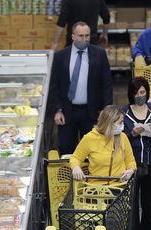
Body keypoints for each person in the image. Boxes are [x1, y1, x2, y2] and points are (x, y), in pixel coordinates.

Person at [49, 21, 113, 155]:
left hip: (91, 113)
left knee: (93, 151)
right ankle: (68, 176)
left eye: (87, 36)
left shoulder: (99, 54)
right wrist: (57, 110)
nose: (84, 39)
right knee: (66, 150)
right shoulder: (60, 57)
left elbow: (107, 84)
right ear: (73, 36)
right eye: (81, 36)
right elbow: (53, 85)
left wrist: (106, 110)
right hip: (67, 112)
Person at [120, 77, 151, 230]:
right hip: (130, 166)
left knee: (148, 207)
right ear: (131, 94)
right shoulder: (123, 113)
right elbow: (117, 139)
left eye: (142, 92)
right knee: (131, 207)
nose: (140, 95)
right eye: (136, 93)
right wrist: (132, 134)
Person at [69, 105, 136, 184]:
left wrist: (130, 170)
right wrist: (76, 167)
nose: (122, 126)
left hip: (119, 187)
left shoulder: (123, 137)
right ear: (109, 123)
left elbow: (130, 161)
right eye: (120, 123)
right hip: (96, 188)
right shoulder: (89, 138)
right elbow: (75, 158)